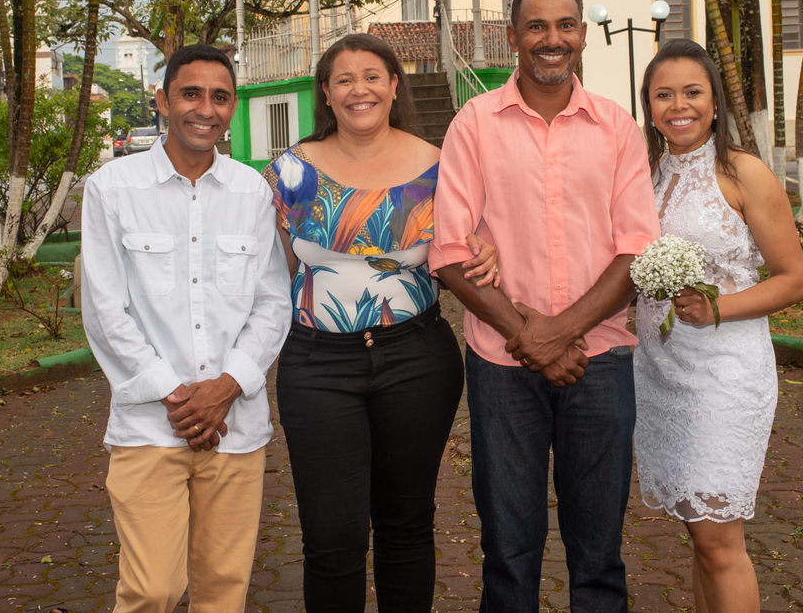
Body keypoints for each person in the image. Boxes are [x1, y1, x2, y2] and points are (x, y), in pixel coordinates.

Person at [430, 0, 660, 611]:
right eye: (536, 27)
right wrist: (526, 336)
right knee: (508, 549)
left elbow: (636, 248)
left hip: (602, 361)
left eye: (564, 25)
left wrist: (556, 333)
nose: (551, 39)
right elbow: (449, 251)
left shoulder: (617, 128)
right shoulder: (473, 124)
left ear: (582, 35)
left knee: (599, 554)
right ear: (513, 37)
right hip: (503, 368)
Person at [263, 33, 499, 613]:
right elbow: (285, 271)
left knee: (406, 523)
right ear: (326, 93)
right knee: (331, 536)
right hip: (317, 365)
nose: (358, 89)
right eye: (343, 79)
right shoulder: (290, 173)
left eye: (372, 76)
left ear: (396, 85)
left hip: (415, 360)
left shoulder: (441, 168)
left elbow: (465, 251)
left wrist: (487, 244)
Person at [81, 43, 292, 613]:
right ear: (162, 101)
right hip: (151, 425)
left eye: (220, 97)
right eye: (190, 93)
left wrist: (225, 389)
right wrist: (179, 397)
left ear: (232, 108)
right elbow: (104, 309)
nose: (206, 108)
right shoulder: (112, 187)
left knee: (223, 590)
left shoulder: (252, 190)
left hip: (236, 424)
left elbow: (273, 302)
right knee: (151, 590)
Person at [633, 39, 803, 613]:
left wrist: (717, 309)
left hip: (725, 370)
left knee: (719, 541)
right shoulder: (648, 173)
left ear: (713, 103)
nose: (677, 105)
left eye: (691, 92)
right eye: (663, 94)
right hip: (659, 370)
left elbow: (793, 279)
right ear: (649, 104)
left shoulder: (743, 172)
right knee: (699, 533)